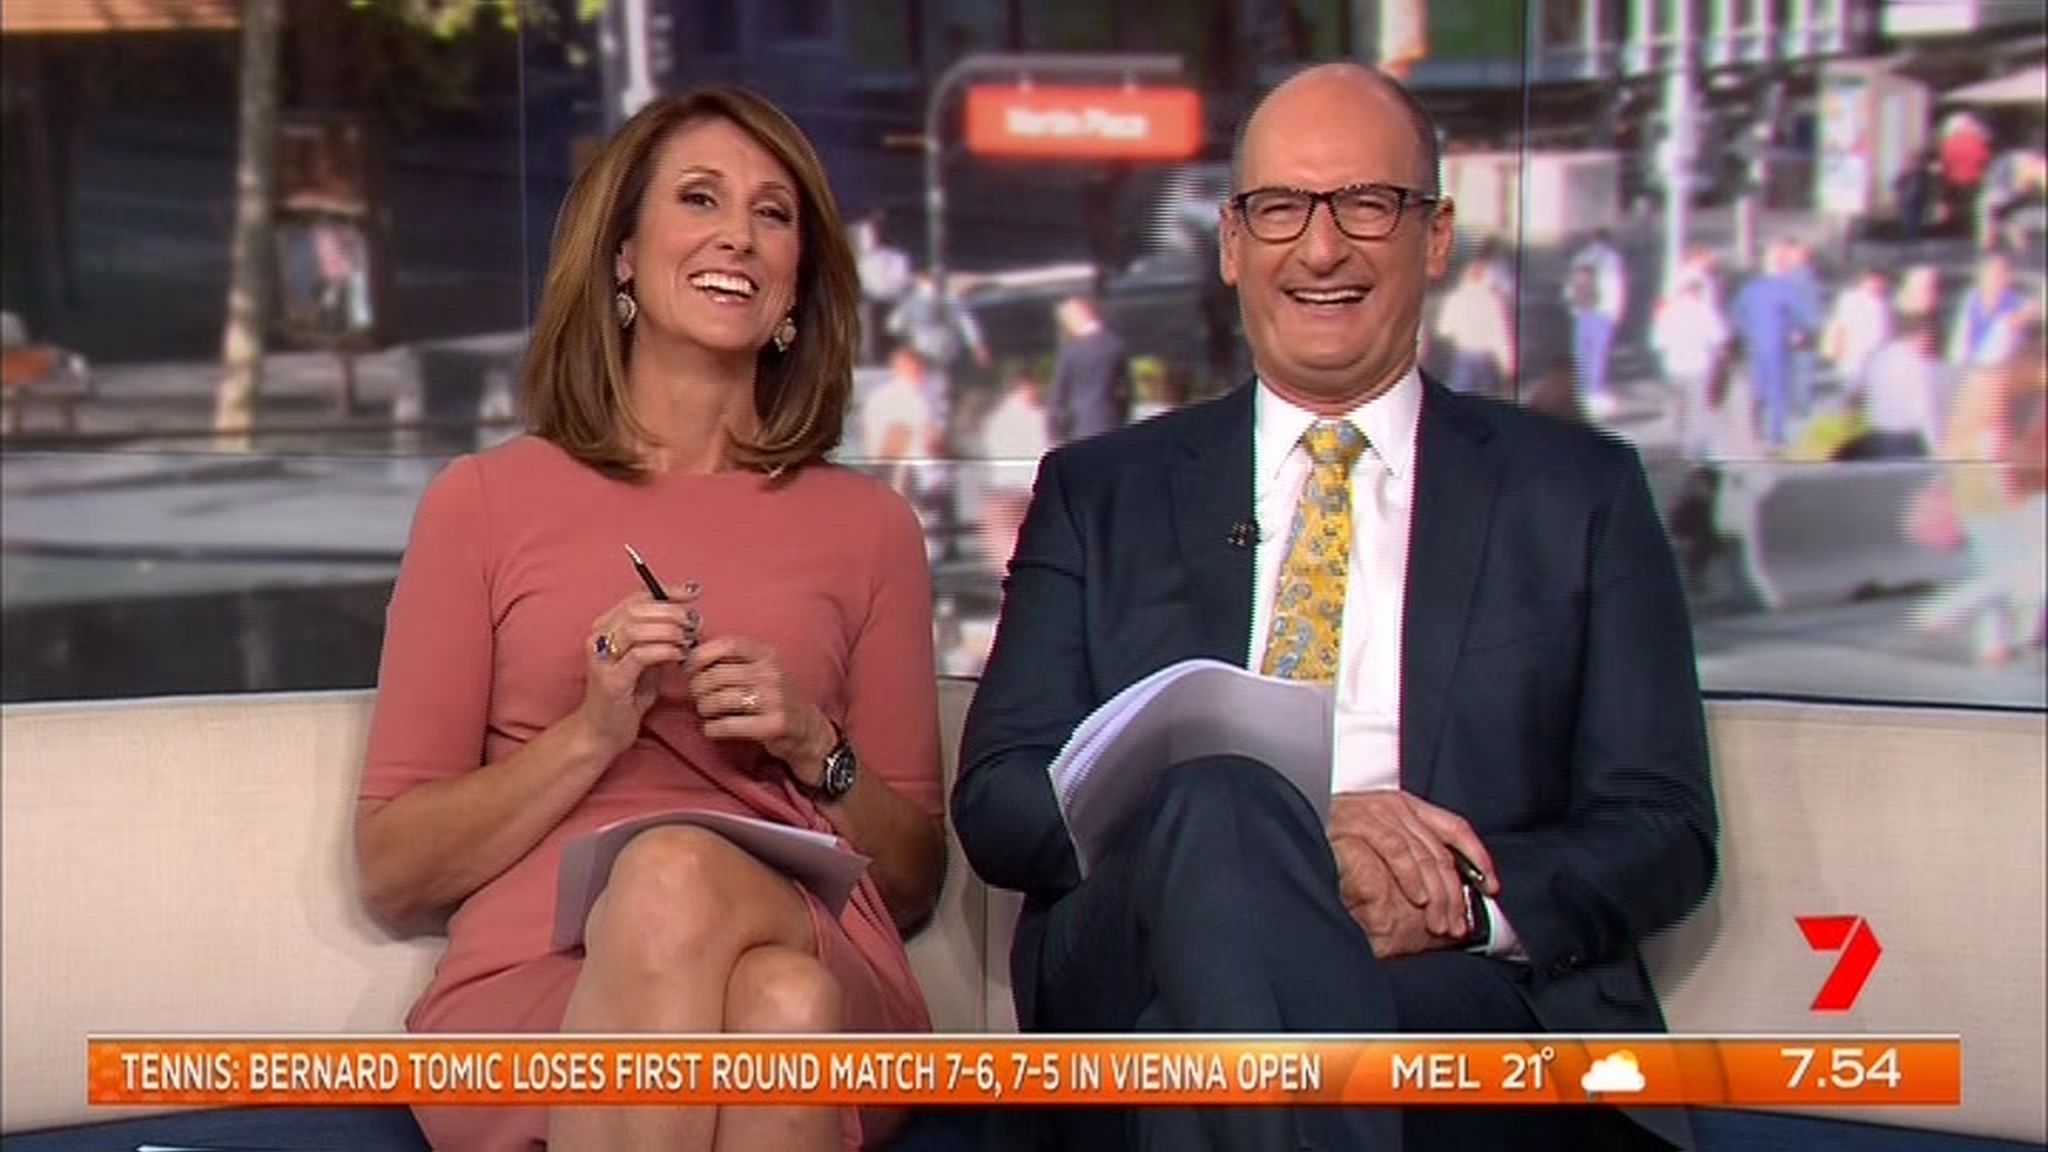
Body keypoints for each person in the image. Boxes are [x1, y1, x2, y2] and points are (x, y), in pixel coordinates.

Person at [954, 63, 1717, 1152]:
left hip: (1448, 983)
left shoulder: (1575, 494)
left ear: (1434, 236)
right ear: (1231, 242)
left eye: (1365, 204)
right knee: (1223, 797)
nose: (1319, 249)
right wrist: (1291, 837)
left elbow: (1662, 826)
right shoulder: (1100, 491)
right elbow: (999, 800)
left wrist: (1459, 899)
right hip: (1133, 951)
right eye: (1279, 208)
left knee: (1194, 1057)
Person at [354, 87, 946, 1152]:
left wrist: (814, 746)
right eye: (700, 199)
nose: (738, 236)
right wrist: (592, 734)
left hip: (812, 930)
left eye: (773, 215)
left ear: (796, 283)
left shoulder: (872, 528)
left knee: (686, 888)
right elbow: (396, 870)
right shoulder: (482, 504)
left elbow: (912, 880)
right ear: (622, 254)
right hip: (542, 976)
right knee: (779, 1008)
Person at [1046, 294, 1133, 444]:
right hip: (1111, 424)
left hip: (1080, 429)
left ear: (1077, 317)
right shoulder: (1116, 346)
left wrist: (1055, 435)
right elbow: (1126, 392)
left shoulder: (1071, 351)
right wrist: (1121, 419)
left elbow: (1058, 397)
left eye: (1067, 320)